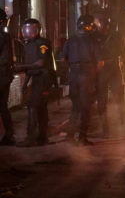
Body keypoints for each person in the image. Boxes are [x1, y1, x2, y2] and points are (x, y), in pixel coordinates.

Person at [15, 19, 55, 147]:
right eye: (26, 29)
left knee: (33, 106)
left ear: (37, 30)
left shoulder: (42, 43)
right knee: (40, 108)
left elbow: (40, 63)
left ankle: (31, 137)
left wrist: (21, 67)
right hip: (35, 79)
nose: (28, 32)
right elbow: (29, 69)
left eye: (31, 29)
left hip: (43, 79)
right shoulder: (28, 45)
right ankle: (42, 137)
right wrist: (25, 84)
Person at [63, 15, 100, 145]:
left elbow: (64, 59)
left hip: (73, 75)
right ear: (87, 26)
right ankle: (82, 138)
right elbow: (100, 62)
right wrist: (93, 74)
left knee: (75, 107)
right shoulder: (91, 41)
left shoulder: (70, 40)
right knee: (86, 107)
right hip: (86, 75)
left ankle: (69, 136)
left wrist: (73, 68)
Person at [93, 11, 125, 137]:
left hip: (114, 69)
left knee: (120, 99)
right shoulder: (94, 36)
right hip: (100, 71)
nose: (102, 25)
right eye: (99, 22)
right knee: (101, 102)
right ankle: (105, 129)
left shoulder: (117, 37)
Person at [0, 9, 15, 145]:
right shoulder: (5, 36)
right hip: (5, 75)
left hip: (1, 74)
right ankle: (9, 135)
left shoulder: (1, 36)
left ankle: (9, 135)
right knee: (3, 106)